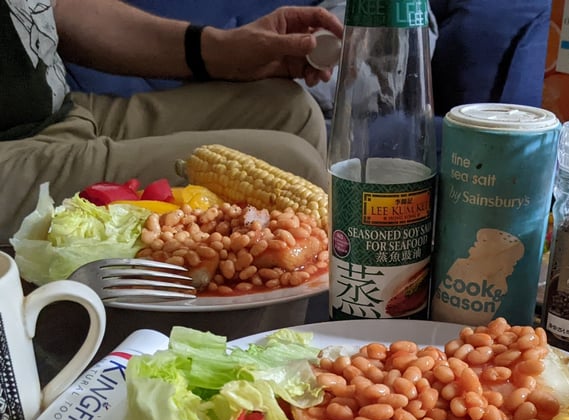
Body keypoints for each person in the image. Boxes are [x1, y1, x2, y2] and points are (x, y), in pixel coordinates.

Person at [0, 0, 344, 241]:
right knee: (290, 161)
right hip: (10, 152)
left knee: (287, 111)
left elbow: (58, 6)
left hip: (62, 109)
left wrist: (221, 51)